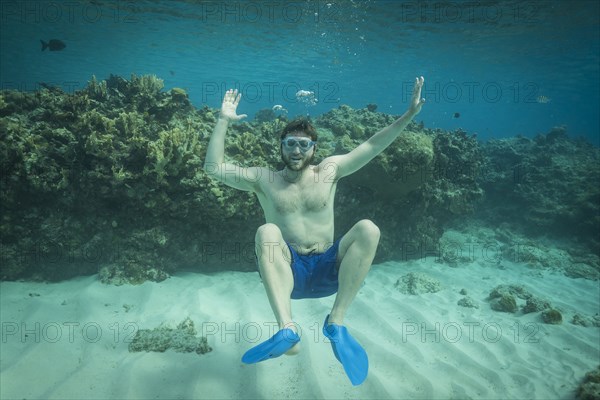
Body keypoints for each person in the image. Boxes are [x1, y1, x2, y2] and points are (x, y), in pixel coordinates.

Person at [204, 77, 425, 386]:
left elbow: (373, 145)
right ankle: (287, 328)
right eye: (290, 144)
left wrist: (409, 115)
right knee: (267, 231)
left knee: (368, 229)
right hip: (289, 274)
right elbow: (213, 168)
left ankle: (336, 323)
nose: (296, 150)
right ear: (280, 147)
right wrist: (223, 120)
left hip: (328, 270)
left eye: (303, 144)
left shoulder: (329, 171)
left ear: (313, 148)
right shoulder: (263, 179)